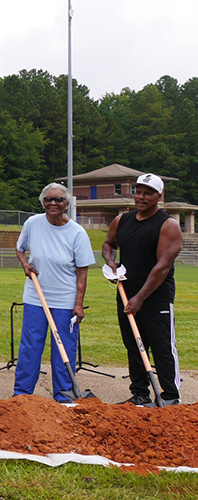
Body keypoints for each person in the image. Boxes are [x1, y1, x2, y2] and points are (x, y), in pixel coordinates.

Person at [102, 173, 182, 406]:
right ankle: (140, 394)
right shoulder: (122, 220)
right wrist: (111, 263)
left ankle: (170, 396)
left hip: (155, 297)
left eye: (148, 193)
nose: (141, 197)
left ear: (159, 196)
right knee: (134, 345)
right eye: (138, 191)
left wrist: (140, 298)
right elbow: (108, 244)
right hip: (127, 293)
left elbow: (162, 266)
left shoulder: (168, 225)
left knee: (162, 346)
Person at [12, 183, 95, 402]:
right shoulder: (33, 223)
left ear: (66, 204)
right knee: (30, 346)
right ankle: (22, 395)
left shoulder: (77, 233)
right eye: (48, 199)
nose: (52, 203)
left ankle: (64, 395)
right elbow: (20, 248)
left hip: (64, 299)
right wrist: (25, 265)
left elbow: (82, 272)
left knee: (64, 350)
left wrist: (78, 304)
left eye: (58, 200)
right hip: (35, 296)